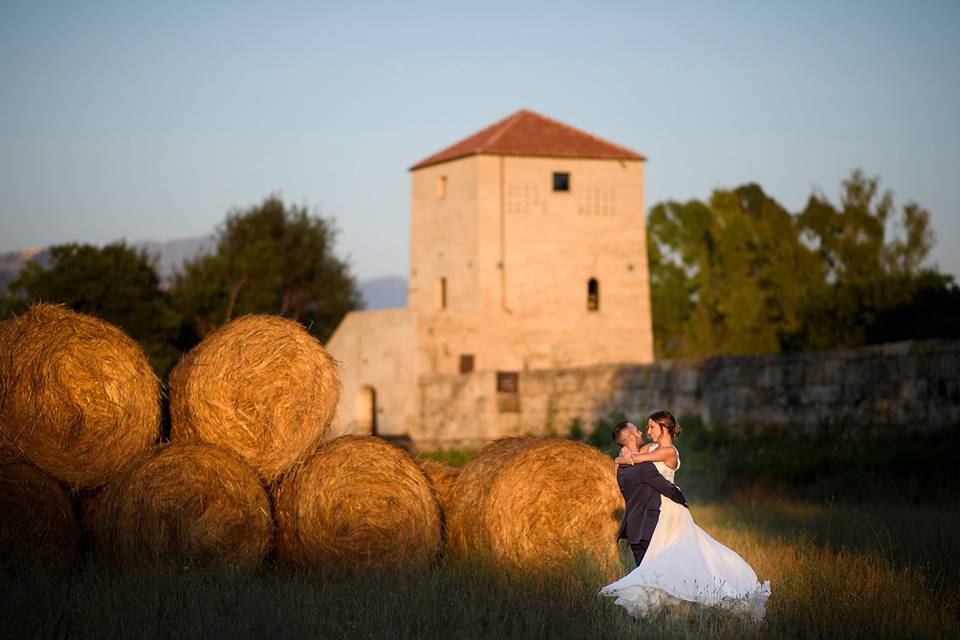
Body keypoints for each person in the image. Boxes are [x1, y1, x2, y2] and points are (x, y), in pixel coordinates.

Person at [600, 410, 771, 620]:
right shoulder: (650, 447)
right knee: (664, 558)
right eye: (646, 427)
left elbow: (638, 459)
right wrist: (625, 450)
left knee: (678, 555)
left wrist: (627, 454)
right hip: (657, 509)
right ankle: (665, 606)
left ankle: (711, 591)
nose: (647, 431)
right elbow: (630, 455)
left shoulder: (669, 452)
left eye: (652, 427)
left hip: (670, 509)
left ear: (664, 428)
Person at [609, 420, 688, 568]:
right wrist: (682, 499)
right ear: (631, 437)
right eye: (637, 430)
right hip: (649, 527)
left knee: (643, 574)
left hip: (633, 528)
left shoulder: (620, 469)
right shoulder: (644, 467)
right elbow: (666, 488)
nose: (641, 433)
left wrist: (624, 451)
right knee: (656, 572)